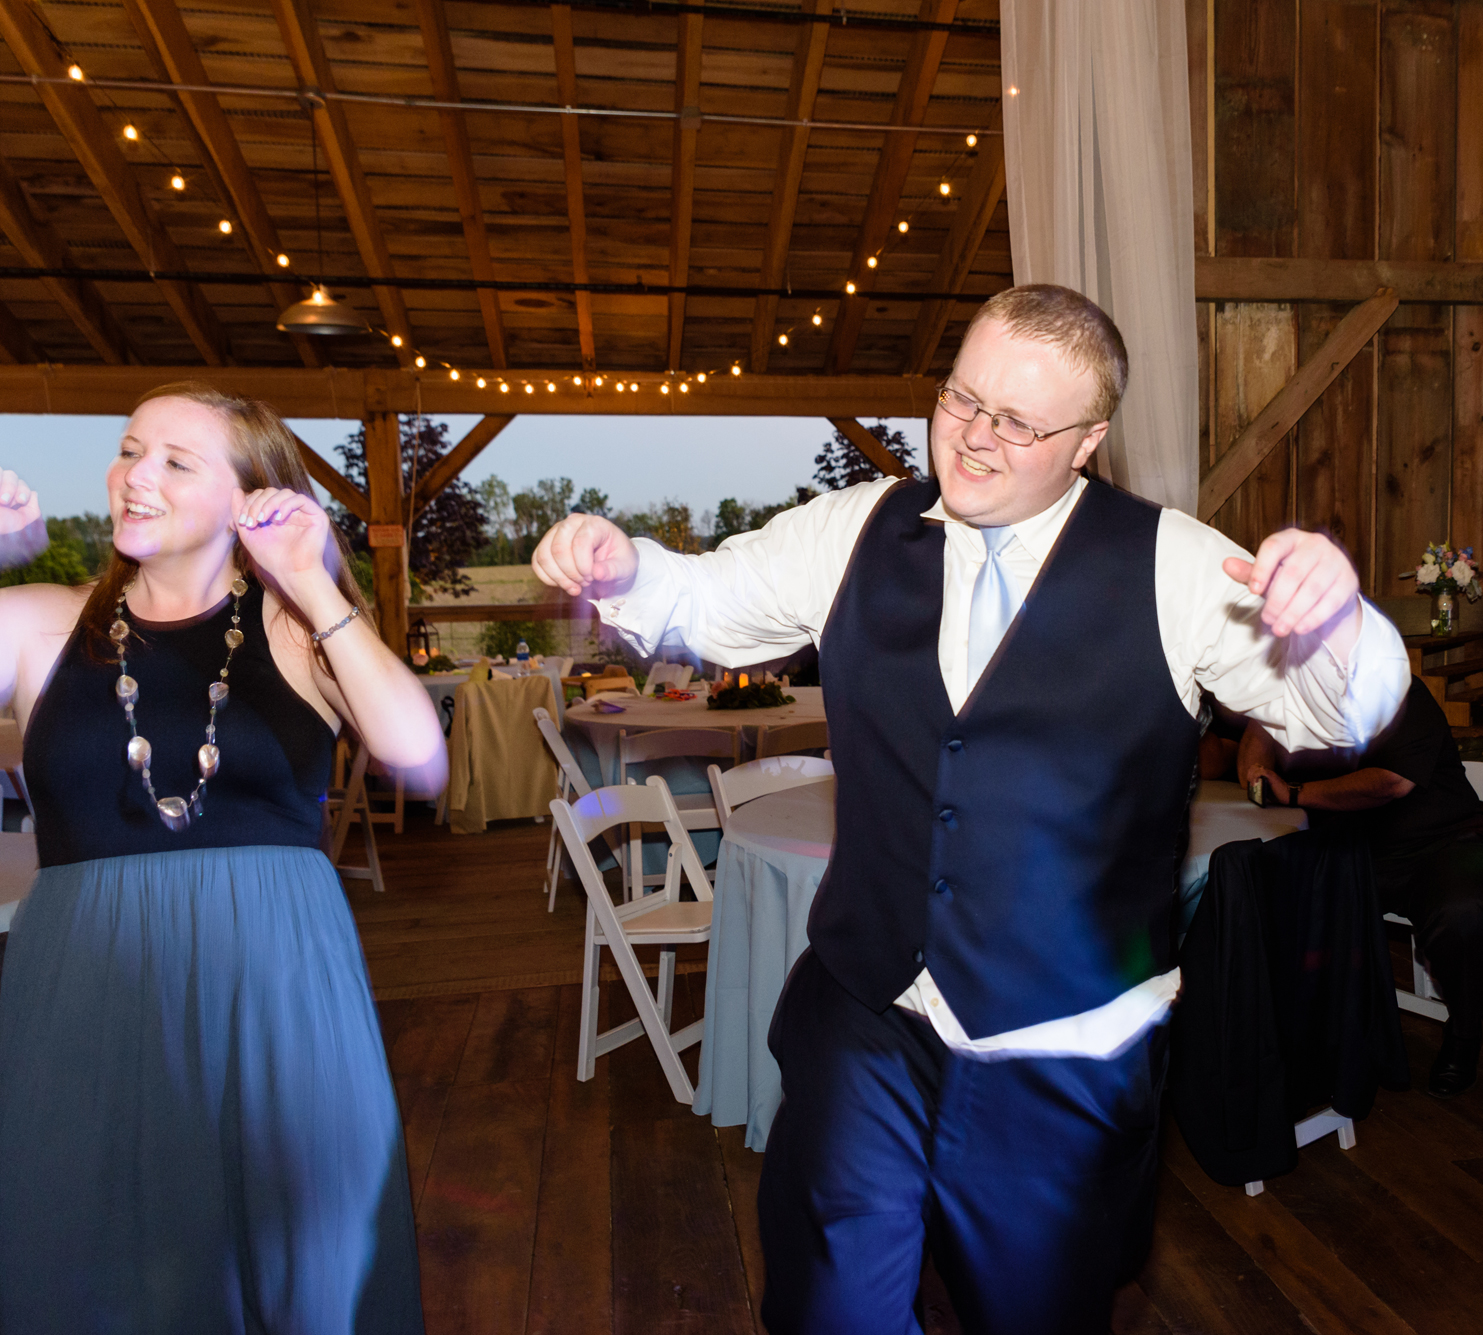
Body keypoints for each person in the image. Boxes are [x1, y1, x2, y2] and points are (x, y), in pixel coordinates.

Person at [531, 284, 1412, 1333]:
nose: (975, 440)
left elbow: (1334, 715)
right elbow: (702, 603)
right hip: (865, 1015)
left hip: (1066, 1044)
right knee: (828, 1310)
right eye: (960, 400)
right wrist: (623, 565)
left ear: (1087, 442)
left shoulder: (1174, 563)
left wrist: (1340, 617)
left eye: (1020, 423)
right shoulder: (855, 530)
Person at [0, 385, 446, 1332]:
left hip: (277, 991)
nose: (135, 475)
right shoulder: (41, 623)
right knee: (88, 1258)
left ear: (251, 496)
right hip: (85, 984)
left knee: (295, 1265)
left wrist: (313, 580)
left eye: (175, 459)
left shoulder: (295, 630)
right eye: (129, 449)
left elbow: (418, 752)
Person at [1234, 681, 1483, 1098]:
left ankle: (1465, 1033)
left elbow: (1391, 782)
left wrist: (1292, 793)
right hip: (1355, 853)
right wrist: (1258, 775)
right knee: (1269, 893)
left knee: (1463, 915)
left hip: (1444, 844)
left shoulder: (1395, 689)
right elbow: (1258, 743)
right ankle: (1311, 1039)